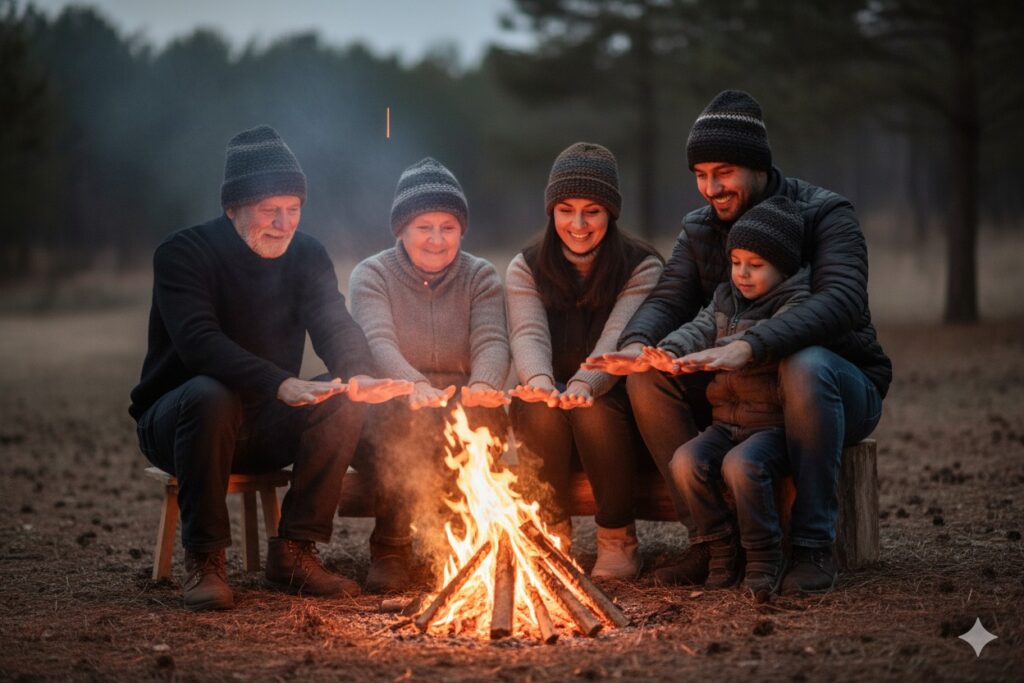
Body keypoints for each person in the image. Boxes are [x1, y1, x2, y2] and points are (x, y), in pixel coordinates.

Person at [587, 90, 892, 593]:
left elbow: (842, 301)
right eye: (700, 175)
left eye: (723, 172)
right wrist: (640, 344)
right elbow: (669, 299)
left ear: (756, 165)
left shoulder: (825, 214)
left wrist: (752, 345)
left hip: (834, 386)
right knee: (648, 377)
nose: (711, 188)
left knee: (805, 364)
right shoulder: (701, 228)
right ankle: (711, 543)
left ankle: (814, 546)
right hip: (739, 396)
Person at [130, 125, 412, 611]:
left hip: (265, 421)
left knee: (343, 394)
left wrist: (357, 371)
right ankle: (206, 561)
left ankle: (296, 553)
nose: (284, 223)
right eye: (269, 211)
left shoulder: (306, 254)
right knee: (210, 393)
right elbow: (200, 344)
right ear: (233, 208)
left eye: (293, 209)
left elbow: (333, 321)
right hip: (180, 421)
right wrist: (278, 381)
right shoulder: (183, 254)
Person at [349, 157, 511, 594]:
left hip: (458, 400)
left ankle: (471, 540)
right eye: (425, 227)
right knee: (400, 417)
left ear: (461, 230)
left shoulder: (480, 275)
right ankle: (391, 547)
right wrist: (413, 385)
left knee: (486, 415)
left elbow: (493, 340)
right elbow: (378, 342)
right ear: (401, 229)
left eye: (448, 227)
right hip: (394, 405)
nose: (437, 239)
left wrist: (483, 384)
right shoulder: (373, 275)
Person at [506, 142, 663, 579]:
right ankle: (551, 536)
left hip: (612, 405)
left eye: (591, 211)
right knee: (536, 406)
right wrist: (539, 380)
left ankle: (618, 540)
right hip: (551, 409)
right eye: (565, 210)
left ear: (610, 213)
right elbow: (527, 332)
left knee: (593, 413)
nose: (577, 224)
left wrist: (583, 385)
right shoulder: (526, 266)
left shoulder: (641, 265)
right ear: (551, 211)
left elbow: (620, 335)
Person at [644, 196, 809, 601]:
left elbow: (765, 340)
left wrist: (723, 350)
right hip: (725, 422)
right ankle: (720, 542)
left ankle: (763, 554)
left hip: (770, 425)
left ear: (782, 267)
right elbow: (697, 329)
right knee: (685, 461)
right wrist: (669, 350)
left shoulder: (795, 304)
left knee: (741, 466)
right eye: (737, 263)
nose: (743, 274)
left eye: (755, 265)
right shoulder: (724, 299)